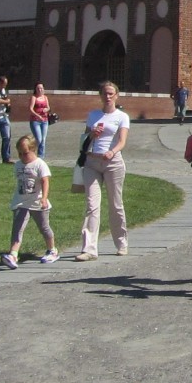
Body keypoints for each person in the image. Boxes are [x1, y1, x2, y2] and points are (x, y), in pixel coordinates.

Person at [74, 81, 130, 261]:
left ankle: (121, 243)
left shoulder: (122, 117)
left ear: (116, 96)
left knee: (115, 204)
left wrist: (112, 151)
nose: (108, 96)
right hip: (92, 162)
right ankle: (89, 249)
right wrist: (92, 134)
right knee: (92, 205)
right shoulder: (93, 116)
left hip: (112, 163)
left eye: (111, 93)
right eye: (105, 93)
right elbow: (84, 139)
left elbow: (122, 141)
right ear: (100, 96)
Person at [0, 132, 59, 268]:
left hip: (37, 202)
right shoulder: (18, 165)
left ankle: (52, 250)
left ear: (33, 150)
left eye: (25, 153)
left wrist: (44, 198)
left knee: (44, 227)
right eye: (19, 154)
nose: (22, 157)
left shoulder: (40, 164)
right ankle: (13, 254)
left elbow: (45, 182)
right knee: (18, 228)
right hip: (21, 202)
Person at [27, 83, 52, 156]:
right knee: (39, 139)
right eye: (38, 88)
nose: (40, 90)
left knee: (43, 140)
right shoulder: (34, 97)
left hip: (45, 121)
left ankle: (41, 156)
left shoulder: (45, 97)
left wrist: (46, 109)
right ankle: (31, 151)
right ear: (35, 89)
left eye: (41, 88)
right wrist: (38, 116)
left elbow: (48, 107)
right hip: (35, 121)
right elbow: (30, 109)